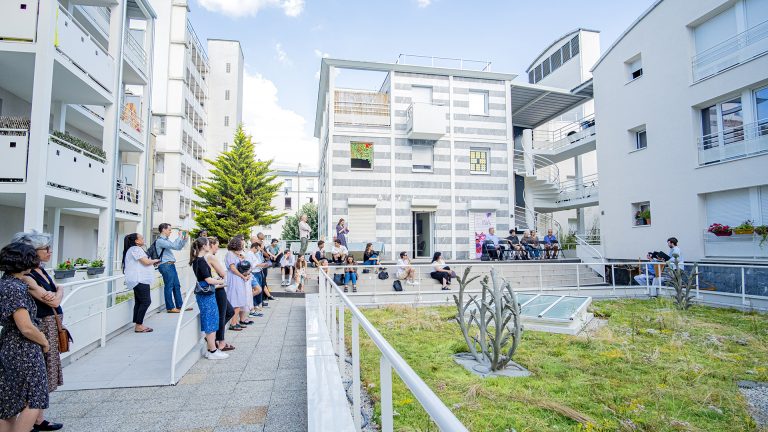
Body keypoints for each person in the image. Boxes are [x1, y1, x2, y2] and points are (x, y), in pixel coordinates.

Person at [11, 231, 64, 431]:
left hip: (52, 323)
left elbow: (53, 296)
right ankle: (31, 419)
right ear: (31, 252)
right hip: (41, 326)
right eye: (45, 249)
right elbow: (54, 298)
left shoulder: (40, 270)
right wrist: (59, 290)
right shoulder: (26, 277)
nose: (49, 252)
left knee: (46, 371)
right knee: (38, 373)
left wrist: (56, 292)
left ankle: (38, 418)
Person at [0, 242, 51, 432]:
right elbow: (26, 327)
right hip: (23, 348)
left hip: (8, 345)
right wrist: (44, 342)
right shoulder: (16, 288)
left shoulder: (6, 283)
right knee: (34, 398)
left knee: (9, 401)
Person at [189, 237, 228, 360]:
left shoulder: (196, 260)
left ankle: (211, 350)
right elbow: (207, 279)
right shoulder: (201, 261)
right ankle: (212, 351)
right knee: (211, 321)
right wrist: (222, 281)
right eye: (207, 244)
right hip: (207, 294)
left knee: (210, 320)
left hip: (204, 293)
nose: (209, 246)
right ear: (204, 246)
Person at [121, 233, 160, 333]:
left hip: (137, 279)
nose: (143, 239)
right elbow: (145, 262)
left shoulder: (132, 249)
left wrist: (151, 261)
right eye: (141, 238)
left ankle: (138, 324)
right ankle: (139, 325)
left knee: (139, 302)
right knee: (146, 301)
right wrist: (155, 260)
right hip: (139, 279)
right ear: (136, 241)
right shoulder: (135, 249)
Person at [206, 237, 236, 351]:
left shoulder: (206, 257)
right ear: (211, 245)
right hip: (218, 287)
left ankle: (215, 338)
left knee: (229, 312)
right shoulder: (210, 257)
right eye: (217, 245)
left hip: (218, 287)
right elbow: (223, 273)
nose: (218, 248)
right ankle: (220, 341)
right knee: (223, 314)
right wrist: (222, 276)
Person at [156, 223, 189, 313]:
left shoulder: (166, 240)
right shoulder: (160, 241)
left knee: (176, 286)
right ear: (163, 230)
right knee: (169, 286)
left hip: (170, 265)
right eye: (169, 230)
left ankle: (180, 306)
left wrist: (183, 239)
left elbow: (178, 247)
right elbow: (174, 246)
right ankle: (170, 307)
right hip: (165, 265)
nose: (170, 231)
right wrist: (179, 237)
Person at [225, 237, 252, 331]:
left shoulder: (235, 255)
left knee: (239, 300)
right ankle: (233, 323)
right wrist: (243, 276)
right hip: (234, 279)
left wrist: (245, 274)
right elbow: (233, 268)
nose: (242, 246)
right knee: (235, 301)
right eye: (241, 244)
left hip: (238, 278)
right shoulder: (230, 254)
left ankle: (236, 322)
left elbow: (239, 267)